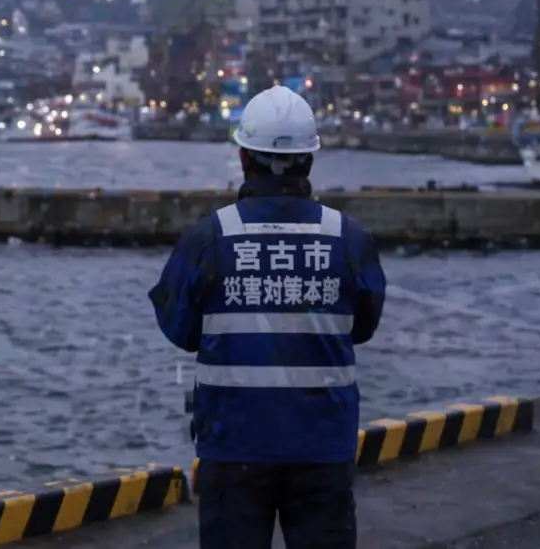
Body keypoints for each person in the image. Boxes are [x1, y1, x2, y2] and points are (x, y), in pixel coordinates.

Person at [148, 85, 386, 549]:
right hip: (322, 444)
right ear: (310, 161)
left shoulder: (210, 238)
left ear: (243, 157)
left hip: (233, 443)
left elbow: (180, 328)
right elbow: (363, 327)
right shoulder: (348, 238)